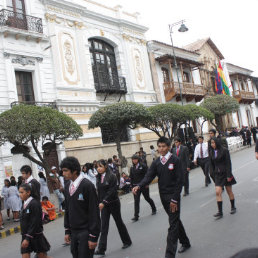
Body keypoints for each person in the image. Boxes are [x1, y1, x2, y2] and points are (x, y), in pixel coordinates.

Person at [133, 136, 191, 258]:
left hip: (173, 197)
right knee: (174, 220)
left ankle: (169, 254)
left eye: (163, 146)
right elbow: (148, 176)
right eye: (159, 146)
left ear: (169, 147)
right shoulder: (157, 162)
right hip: (163, 196)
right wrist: (139, 186)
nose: (161, 148)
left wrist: (175, 199)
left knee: (173, 224)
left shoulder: (175, 160)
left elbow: (180, 181)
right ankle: (185, 242)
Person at [62, 156, 100, 258]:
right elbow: (68, 210)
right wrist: (67, 230)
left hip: (86, 232)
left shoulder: (87, 185)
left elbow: (94, 212)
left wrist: (93, 237)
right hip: (74, 232)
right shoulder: (67, 187)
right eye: (62, 171)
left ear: (74, 171)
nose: (63, 174)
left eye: (66, 171)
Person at [94, 159, 132, 256]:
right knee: (104, 226)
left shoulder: (112, 176)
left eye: (100, 166)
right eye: (97, 167)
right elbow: (99, 192)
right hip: (104, 205)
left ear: (105, 166)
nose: (99, 169)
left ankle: (127, 241)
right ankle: (102, 249)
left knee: (119, 222)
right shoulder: (98, 177)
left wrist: (104, 201)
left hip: (113, 203)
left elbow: (112, 191)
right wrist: (99, 202)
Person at [19, 183, 51, 258]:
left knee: (42, 256)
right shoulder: (24, 203)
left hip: (35, 235)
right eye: (19, 192)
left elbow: (35, 222)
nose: (20, 194)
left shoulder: (34, 204)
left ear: (28, 192)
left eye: (22, 192)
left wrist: (28, 238)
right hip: (25, 235)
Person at [209, 137, 237, 219]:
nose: (212, 144)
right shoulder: (211, 152)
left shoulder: (224, 150)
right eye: (211, 143)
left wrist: (229, 175)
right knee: (218, 192)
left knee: (229, 191)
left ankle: (233, 207)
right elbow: (211, 164)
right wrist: (213, 173)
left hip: (225, 173)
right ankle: (220, 212)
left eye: (213, 143)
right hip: (217, 174)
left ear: (217, 143)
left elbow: (228, 163)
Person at [130, 154, 156, 221]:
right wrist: (132, 187)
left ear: (138, 159)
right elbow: (131, 178)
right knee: (136, 201)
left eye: (135, 159)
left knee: (147, 198)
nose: (134, 161)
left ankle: (153, 208)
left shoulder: (143, 166)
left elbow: (148, 175)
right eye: (133, 159)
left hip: (143, 185)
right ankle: (136, 216)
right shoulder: (132, 168)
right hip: (136, 187)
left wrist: (147, 183)